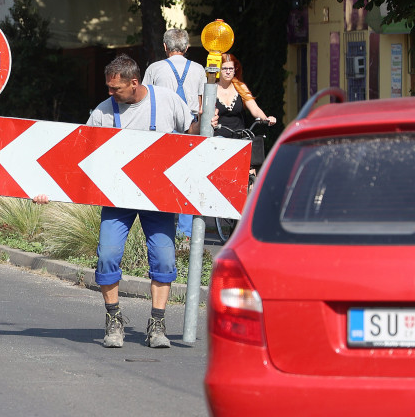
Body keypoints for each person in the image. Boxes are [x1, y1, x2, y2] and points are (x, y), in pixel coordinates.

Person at [84, 54, 192, 349]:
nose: (110, 94)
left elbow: (191, 133)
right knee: (107, 256)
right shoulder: (103, 113)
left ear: (134, 83)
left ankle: (157, 324)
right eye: (108, 88)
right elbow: (86, 152)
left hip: (158, 198)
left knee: (165, 258)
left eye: (115, 89)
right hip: (118, 198)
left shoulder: (167, 100)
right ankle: (114, 318)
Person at [142, 28, 205, 239]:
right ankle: (185, 234)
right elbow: (202, 103)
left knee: (163, 178)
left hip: (164, 128)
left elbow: (145, 99)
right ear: (187, 48)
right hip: (191, 129)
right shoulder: (198, 69)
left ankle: (162, 227)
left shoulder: (154, 68)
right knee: (189, 179)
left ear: (165, 47)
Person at [212, 53, 276, 136]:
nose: (228, 72)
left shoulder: (241, 87)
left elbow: (255, 109)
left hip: (240, 138)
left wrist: (266, 119)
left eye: (231, 68)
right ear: (219, 69)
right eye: (224, 68)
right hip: (218, 139)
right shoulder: (211, 90)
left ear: (235, 70)